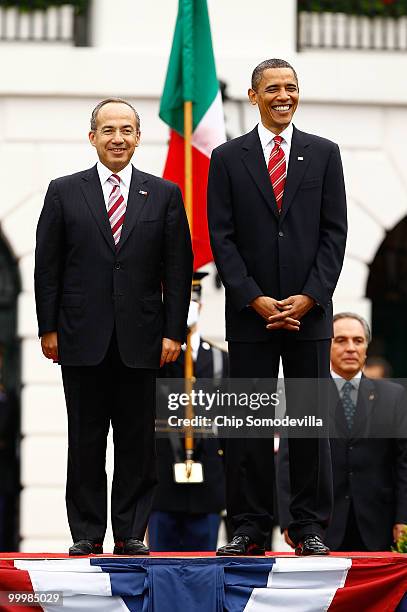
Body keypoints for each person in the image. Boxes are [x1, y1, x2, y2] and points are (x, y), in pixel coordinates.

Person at [34, 98, 193, 556]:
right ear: (92, 137)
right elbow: (49, 266)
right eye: (108, 130)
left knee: (137, 442)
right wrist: (49, 327)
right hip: (81, 336)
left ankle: (130, 533)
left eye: (126, 130)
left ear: (138, 137)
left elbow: (177, 269)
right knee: (84, 439)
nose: (117, 138)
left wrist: (173, 332)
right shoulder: (64, 191)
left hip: (143, 340)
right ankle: (85, 532)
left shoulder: (163, 194)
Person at [207, 58, 347, 556]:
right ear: (253, 96)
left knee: (309, 423)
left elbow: (335, 233)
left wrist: (311, 297)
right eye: (272, 88)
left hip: (310, 313)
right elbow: (220, 236)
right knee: (249, 424)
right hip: (251, 314)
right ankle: (248, 527)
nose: (283, 95)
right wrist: (253, 297)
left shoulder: (324, 154)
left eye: (290, 87)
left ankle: (308, 526)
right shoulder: (226, 159)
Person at [277, 313, 407, 551]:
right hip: (319, 527)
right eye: (341, 340)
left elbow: (403, 464)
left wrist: (404, 519)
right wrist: (289, 519)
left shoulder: (394, 396)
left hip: (380, 525)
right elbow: (288, 461)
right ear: (327, 346)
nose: (350, 348)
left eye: (358, 341)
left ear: (366, 349)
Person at [149, 272, 227, 551]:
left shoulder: (219, 359)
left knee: (204, 572)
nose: (186, 309)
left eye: (191, 301)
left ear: (201, 306)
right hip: (162, 483)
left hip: (208, 483)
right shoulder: (153, 357)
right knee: (160, 572)